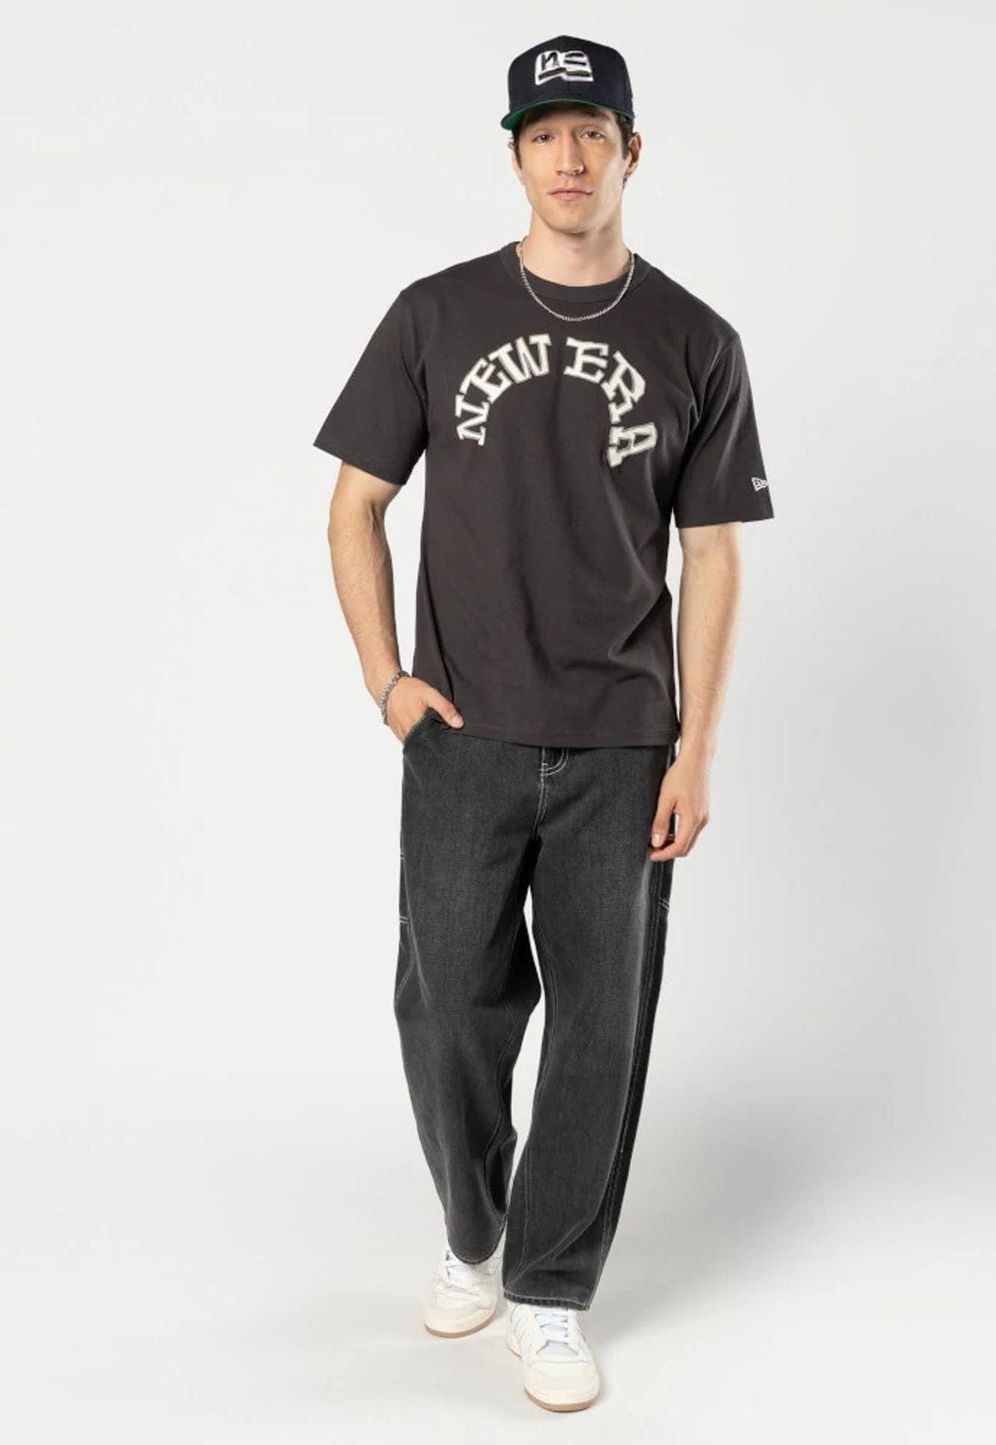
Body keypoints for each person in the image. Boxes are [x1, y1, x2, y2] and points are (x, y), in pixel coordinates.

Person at [314, 33, 775, 1412]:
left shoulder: (696, 339)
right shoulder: (434, 314)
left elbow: (714, 552)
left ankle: (551, 1287)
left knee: (599, 1023)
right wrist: (386, 680)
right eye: (542, 134)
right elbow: (353, 506)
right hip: (463, 729)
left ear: (632, 151)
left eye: (591, 133)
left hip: (625, 742)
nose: (569, 158)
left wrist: (695, 747)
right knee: (446, 1001)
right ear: (514, 156)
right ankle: (476, 1228)